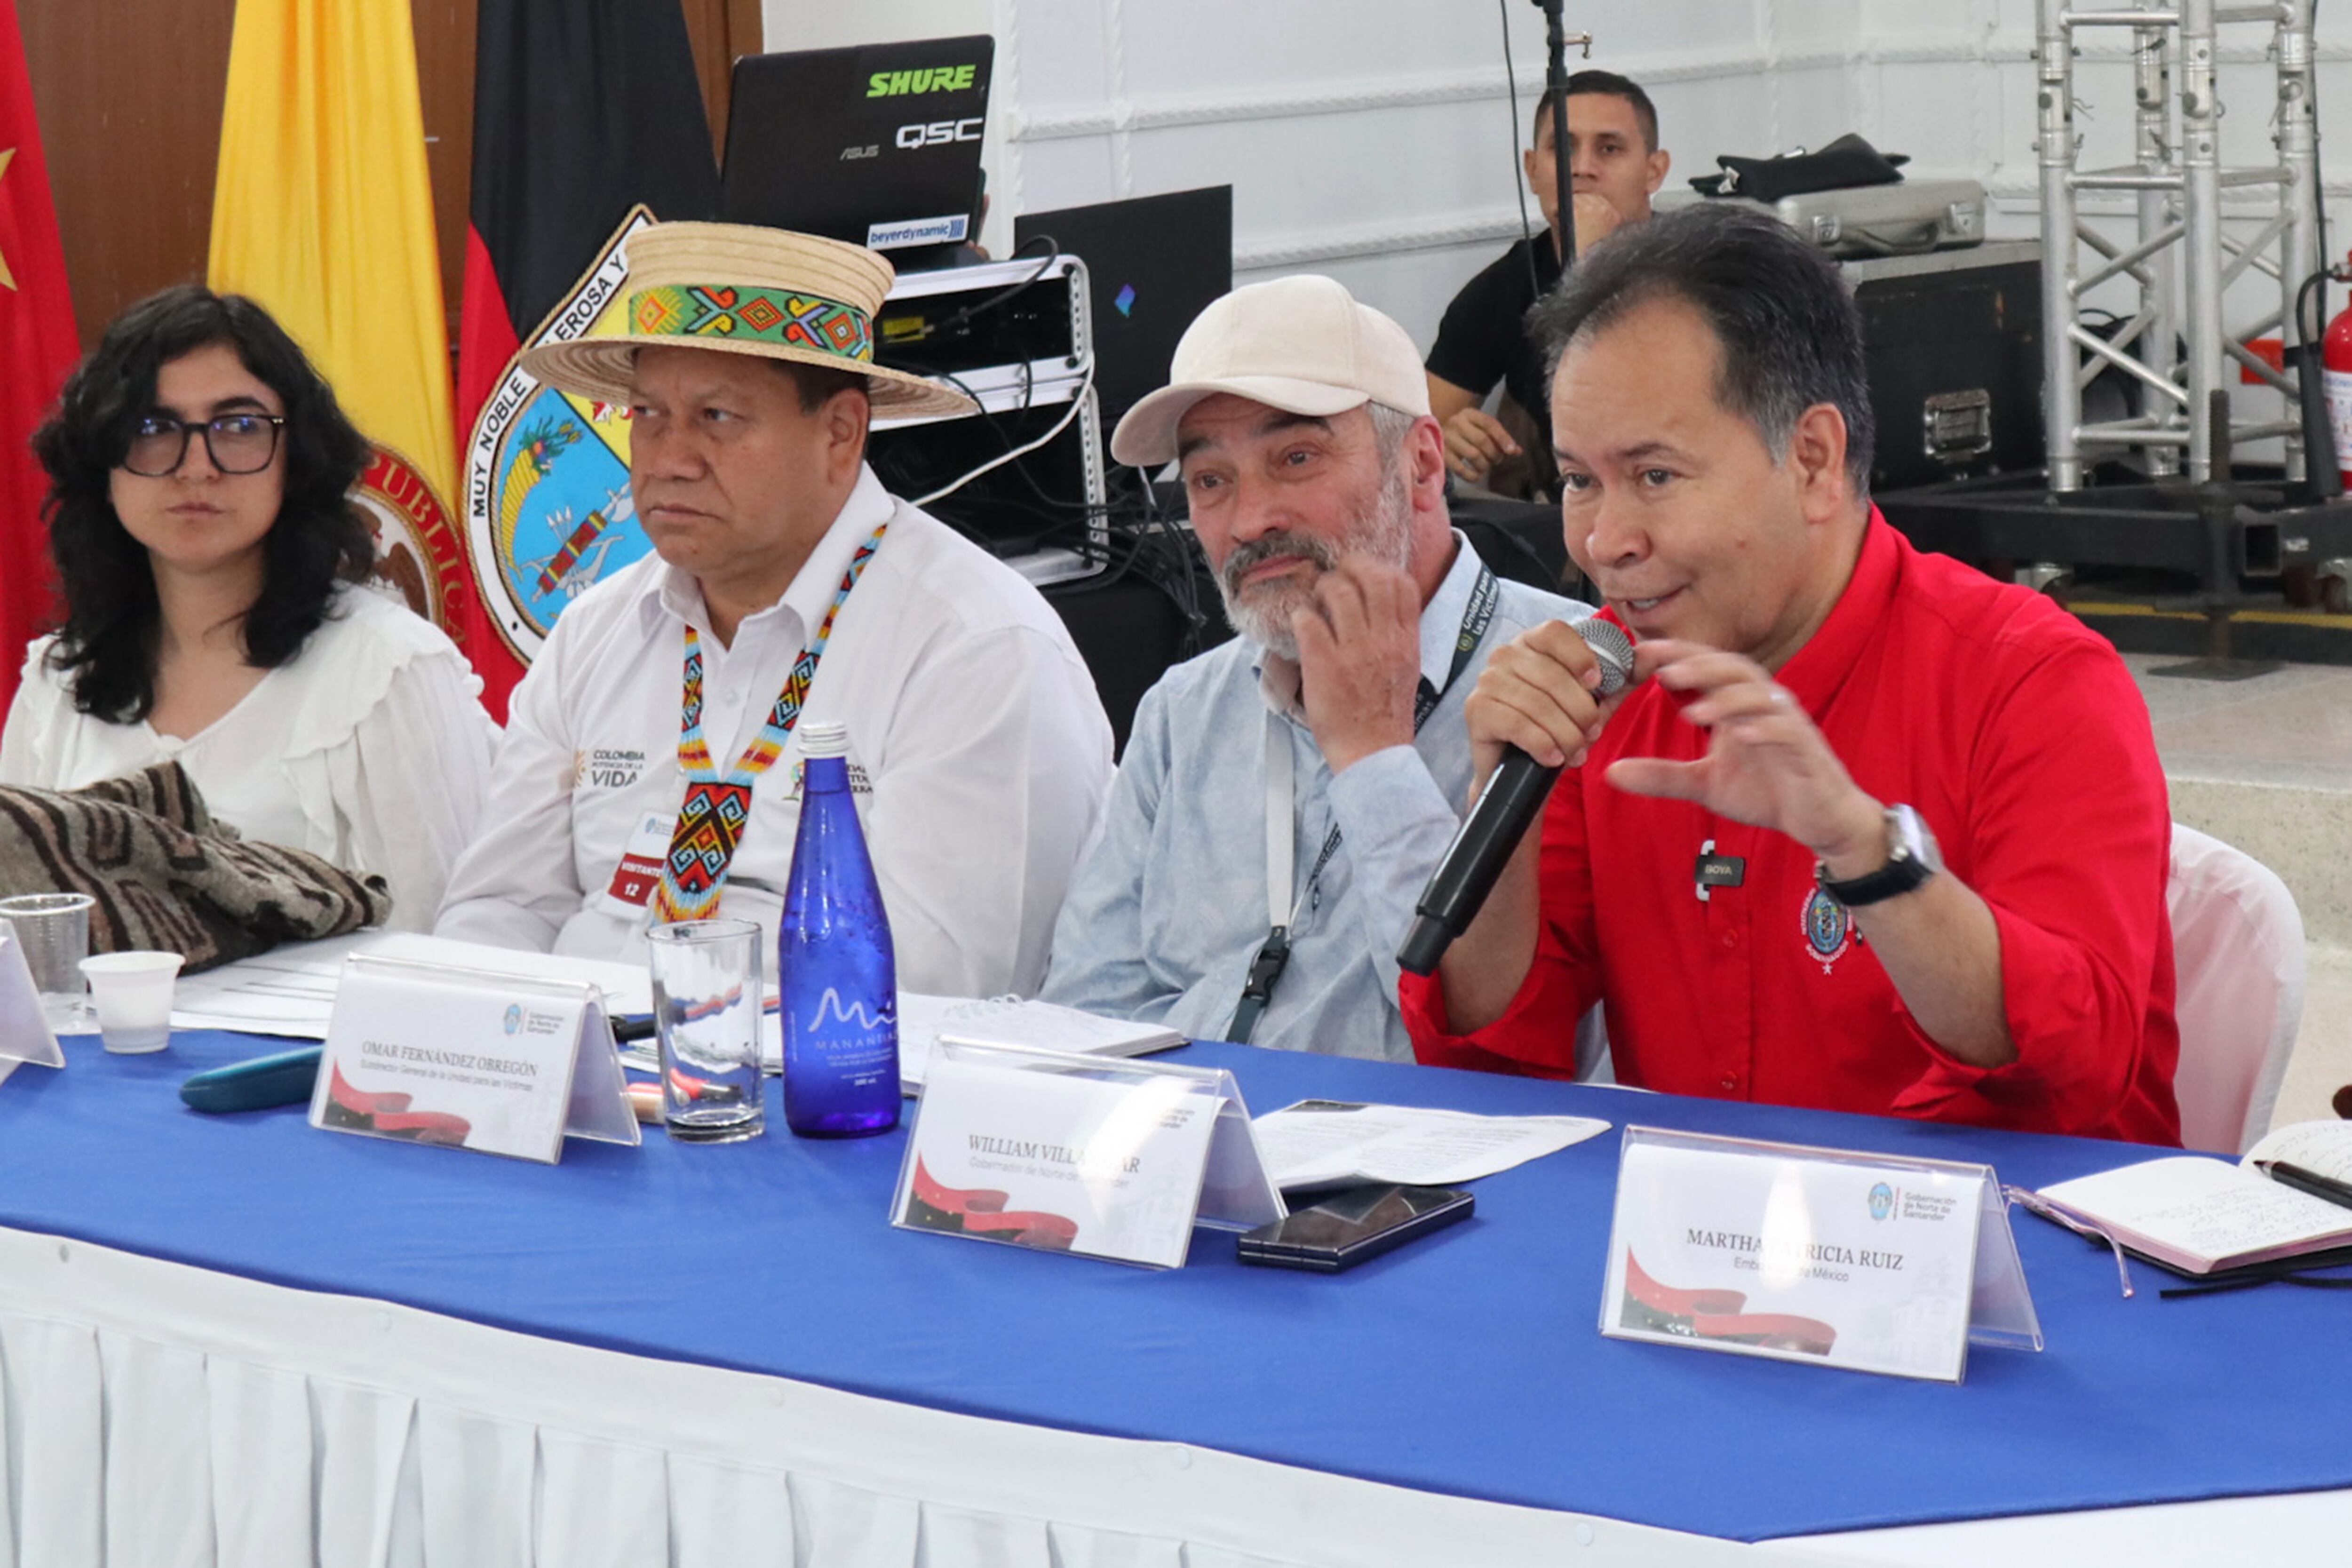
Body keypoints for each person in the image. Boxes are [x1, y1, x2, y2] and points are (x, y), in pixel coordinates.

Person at [1402, 205, 2181, 1144]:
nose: (1604, 543)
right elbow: (1492, 1062)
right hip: (1703, 1264)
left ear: (1812, 459)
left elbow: (2072, 1070)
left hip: (2007, 1257)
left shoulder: (2031, 680)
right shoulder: (1613, 686)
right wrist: (1503, 802)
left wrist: (1865, 854)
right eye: (1578, 481)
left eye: (1653, 476)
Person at [434, 222, 1114, 996]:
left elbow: (930, 987)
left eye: (717, 417)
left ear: (840, 433)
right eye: (647, 414)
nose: (668, 458)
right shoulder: (593, 632)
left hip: (828, 1102)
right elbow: (494, 913)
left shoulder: (978, 648)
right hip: (581, 1085)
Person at [1040, 276, 1589, 1061]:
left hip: (1425, 1174)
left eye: (1296, 457)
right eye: (1210, 481)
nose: (1250, 519)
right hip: (1194, 1155)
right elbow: (1083, 1020)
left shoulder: (1568, 679)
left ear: (1423, 466)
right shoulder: (1185, 712)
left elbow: (1486, 1054)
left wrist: (1377, 759)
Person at [0, 286, 498, 931]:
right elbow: (21, 937)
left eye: (238, 427)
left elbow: (455, 942)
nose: (197, 467)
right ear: (104, 465)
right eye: (153, 429)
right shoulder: (58, 681)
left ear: (296, 459)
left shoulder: (386, 670)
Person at [1426, 70, 1671, 498]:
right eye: (1563, 148)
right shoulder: (1500, 289)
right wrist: (1447, 436)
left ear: (1654, 171)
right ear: (1533, 170)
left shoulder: (1702, 269)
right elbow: (1412, 438)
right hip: (1560, 528)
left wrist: (1591, 261)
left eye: (1609, 149)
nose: (1582, 169)